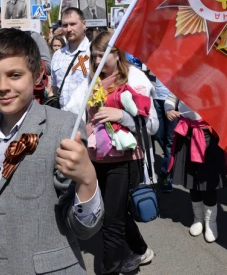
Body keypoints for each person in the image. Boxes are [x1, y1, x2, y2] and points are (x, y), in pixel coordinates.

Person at [0, 28, 103, 274]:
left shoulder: (63, 128)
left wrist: (87, 180)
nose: (3, 86)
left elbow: (84, 228)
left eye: (14, 75)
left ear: (37, 75)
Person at [85, 31, 157, 274]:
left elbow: (152, 125)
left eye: (101, 56)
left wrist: (122, 116)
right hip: (98, 157)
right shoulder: (93, 79)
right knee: (112, 211)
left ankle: (109, 268)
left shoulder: (133, 78)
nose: (97, 62)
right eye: (93, 57)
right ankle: (140, 249)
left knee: (111, 221)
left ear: (116, 54)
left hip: (124, 160)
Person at [166, 93, 227, 243]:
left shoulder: (215, 78)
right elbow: (170, 98)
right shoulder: (181, 77)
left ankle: (210, 222)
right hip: (186, 133)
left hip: (209, 134)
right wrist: (168, 110)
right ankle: (198, 218)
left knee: (208, 183)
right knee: (191, 180)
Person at [51, 8, 91, 113]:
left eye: (73, 24)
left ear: (84, 24)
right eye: (65, 25)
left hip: (86, 118)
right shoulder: (57, 55)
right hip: (62, 118)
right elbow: (54, 89)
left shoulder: (93, 53)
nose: (68, 29)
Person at [152, 78, 176, 192]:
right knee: (157, 134)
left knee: (170, 142)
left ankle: (166, 175)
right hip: (157, 98)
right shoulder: (157, 59)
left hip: (173, 100)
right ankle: (173, 159)